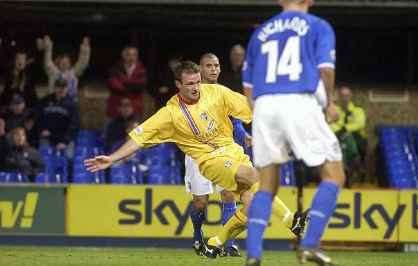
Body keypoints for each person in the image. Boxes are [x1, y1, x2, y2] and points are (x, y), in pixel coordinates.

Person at [84, 61, 307, 258]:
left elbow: (251, 108)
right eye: (189, 84)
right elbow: (138, 138)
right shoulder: (170, 114)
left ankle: (215, 242)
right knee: (255, 176)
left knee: (252, 206)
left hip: (234, 152)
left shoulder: (216, 92)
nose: (195, 88)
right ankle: (291, 221)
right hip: (210, 160)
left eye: (197, 82)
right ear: (178, 85)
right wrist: (112, 159)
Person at [242, 1, 345, 265]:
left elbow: (248, 90)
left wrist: (264, 118)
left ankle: (253, 254)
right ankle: (310, 244)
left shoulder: (260, 32)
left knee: (266, 185)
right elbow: (326, 70)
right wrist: (330, 104)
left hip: (264, 106)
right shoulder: (318, 26)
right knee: (333, 174)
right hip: (299, 99)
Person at [186, 53, 251, 257]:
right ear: (200, 69)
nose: (213, 69)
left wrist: (244, 136)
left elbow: (236, 122)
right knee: (200, 202)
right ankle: (198, 233)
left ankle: (228, 243)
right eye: (208, 65)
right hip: (198, 154)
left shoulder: (224, 93)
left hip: (224, 151)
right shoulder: (190, 93)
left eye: (216, 65)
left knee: (228, 194)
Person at [330, 86, 367, 186]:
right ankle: (354, 163)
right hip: (340, 137)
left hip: (357, 138)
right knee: (342, 140)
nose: (344, 98)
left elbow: (360, 124)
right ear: (339, 97)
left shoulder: (358, 110)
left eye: (347, 96)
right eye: (342, 96)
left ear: (350, 96)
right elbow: (331, 123)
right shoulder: (335, 110)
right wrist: (340, 130)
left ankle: (347, 168)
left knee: (346, 137)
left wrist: (345, 128)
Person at [37, 78, 79, 156]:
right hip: (47, 137)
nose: (61, 90)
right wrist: (42, 129)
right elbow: (39, 117)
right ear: (55, 88)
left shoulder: (72, 104)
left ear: (67, 88)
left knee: (69, 158)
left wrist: (65, 141)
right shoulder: (45, 101)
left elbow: (74, 125)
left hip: (64, 138)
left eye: (63, 87)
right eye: (59, 87)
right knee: (44, 157)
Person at [107, 45, 147, 118]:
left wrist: (123, 81)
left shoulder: (142, 70)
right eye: (128, 54)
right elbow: (113, 84)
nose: (131, 57)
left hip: (135, 106)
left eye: (134, 55)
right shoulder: (115, 68)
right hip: (117, 106)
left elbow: (140, 85)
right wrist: (130, 86)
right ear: (123, 55)